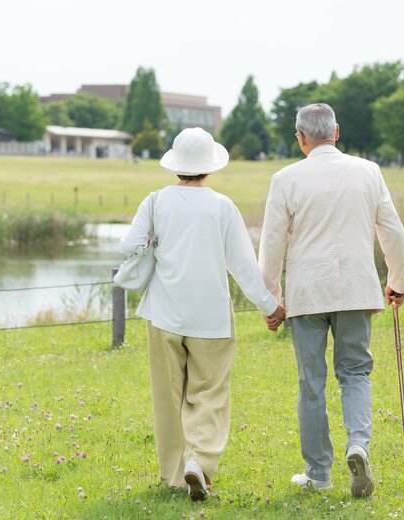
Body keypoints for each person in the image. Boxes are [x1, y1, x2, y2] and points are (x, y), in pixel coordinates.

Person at [120, 127, 286, 501]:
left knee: (169, 397)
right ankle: (201, 463)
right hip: (210, 317)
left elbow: (128, 245)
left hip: (163, 313)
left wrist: (156, 243)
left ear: (175, 165)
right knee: (209, 394)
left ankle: (176, 475)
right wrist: (271, 308)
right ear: (209, 168)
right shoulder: (222, 206)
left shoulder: (154, 201)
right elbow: (244, 266)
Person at [258, 103, 404, 497]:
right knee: (355, 373)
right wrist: (397, 280)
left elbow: (271, 243)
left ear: (301, 137)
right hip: (357, 290)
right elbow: (392, 229)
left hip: (308, 294)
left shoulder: (286, 178)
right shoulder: (368, 171)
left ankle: (318, 474)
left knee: (312, 382)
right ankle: (358, 444)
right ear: (336, 132)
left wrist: (270, 298)